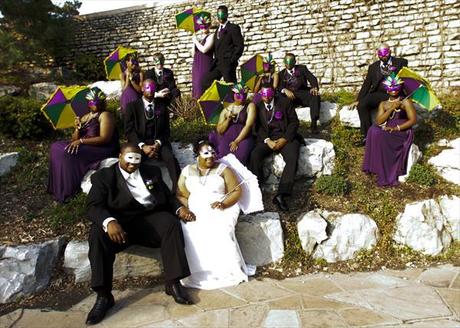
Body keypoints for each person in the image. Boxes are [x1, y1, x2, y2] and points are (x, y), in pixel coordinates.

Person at [85, 143, 194, 325]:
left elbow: (167, 198)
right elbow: (93, 205)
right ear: (120, 156)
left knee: (170, 224)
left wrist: (179, 209)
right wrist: (109, 222)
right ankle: (104, 296)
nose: (133, 163)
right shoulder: (104, 177)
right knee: (96, 234)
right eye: (129, 158)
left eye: (137, 159)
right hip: (119, 226)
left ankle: (173, 282)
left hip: (148, 220)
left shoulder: (151, 172)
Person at [176, 139, 248, 289]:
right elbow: (180, 194)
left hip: (221, 207)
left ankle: (224, 270)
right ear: (197, 155)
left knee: (219, 227)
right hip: (195, 209)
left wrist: (224, 204)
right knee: (189, 229)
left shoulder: (223, 169)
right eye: (206, 153)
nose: (211, 157)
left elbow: (236, 191)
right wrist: (187, 209)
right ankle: (198, 271)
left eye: (213, 153)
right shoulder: (187, 171)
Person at [47, 87, 119, 203]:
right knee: (56, 147)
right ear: (88, 103)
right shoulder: (85, 117)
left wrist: (81, 142)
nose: (96, 104)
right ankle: (57, 187)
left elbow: (105, 138)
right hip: (87, 144)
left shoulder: (105, 115)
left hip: (101, 148)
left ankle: (69, 190)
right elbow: (74, 139)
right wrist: (77, 129)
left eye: (99, 102)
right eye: (93, 102)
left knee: (67, 152)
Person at [249, 84, 302, 212]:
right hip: (268, 139)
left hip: (285, 137)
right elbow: (257, 128)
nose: (266, 98)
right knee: (255, 155)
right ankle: (257, 187)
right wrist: (268, 141)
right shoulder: (258, 106)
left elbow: (294, 122)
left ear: (272, 94)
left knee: (292, 158)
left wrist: (284, 139)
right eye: (263, 96)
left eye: (268, 96)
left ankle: (281, 195)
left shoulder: (285, 102)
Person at [124, 79, 181, 192]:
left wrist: (158, 143)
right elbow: (129, 130)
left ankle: (177, 188)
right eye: (147, 87)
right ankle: (139, 189)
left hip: (158, 141)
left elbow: (166, 130)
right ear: (142, 89)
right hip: (139, 142)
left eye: (152, 88)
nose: (150, 90)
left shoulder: (162, 106)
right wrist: (142, 146)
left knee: (170, 158)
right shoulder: (132, 107)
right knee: (136, 160)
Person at [362, 75, 416, 187]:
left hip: (402, 131)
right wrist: (391, 108)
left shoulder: (406, 102)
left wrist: (396, 128)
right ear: (387, 89)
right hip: (388, 128)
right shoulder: (383, 104)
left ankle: (386, 172)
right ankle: (375, 166)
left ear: (400, 87)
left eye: (396, 87)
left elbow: (413, 120)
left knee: (381, 135)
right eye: (391, 88)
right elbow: (378, 121)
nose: (393, 90)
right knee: (373, 130)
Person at [351, 43, 409, 145]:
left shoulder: (400, 62)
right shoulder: (373, 67)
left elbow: (407, 79)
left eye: (385, 53)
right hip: (378, 93)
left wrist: (406, 95)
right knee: (362, 105)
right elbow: (367, 84)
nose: (383, 56)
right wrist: (358, 99)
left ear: (390, 52)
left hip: (394, 92)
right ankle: (366, 137)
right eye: (380, 54)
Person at [208, 83, 256, 165]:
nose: (242, 97)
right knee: (223, 159)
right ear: (233, 95)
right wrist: (228, 119)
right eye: (238, 95)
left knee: (240, 158)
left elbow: (249, 125)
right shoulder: (226, 110)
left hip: (243, 138)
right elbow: (220, 130)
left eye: (244, 94)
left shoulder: (250, 106)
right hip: (227, 138)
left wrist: (237, 141)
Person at [201, 5, 244, 92]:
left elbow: (239, 46)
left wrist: (232, 60)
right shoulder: (217, 30)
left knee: (231, 87)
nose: (220, 17)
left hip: (228, 64)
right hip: (217, 64)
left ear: (227, 14)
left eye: (222, 14)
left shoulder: (233, 28)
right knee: (205, 82)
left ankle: (235, 103)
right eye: (218, 14)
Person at [277, 53, 321, 134]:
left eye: (290, 62)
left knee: (315, 95)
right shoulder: (281, 74)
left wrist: (314, 87)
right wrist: (285, 90)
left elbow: (312, 78)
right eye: (286, 63)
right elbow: (278, 86)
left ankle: (314, 124)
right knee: (281, 98)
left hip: (303, 93)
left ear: (294, 62)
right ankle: (285, 127)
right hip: (290, 97)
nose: (288, 65)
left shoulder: (302, 68)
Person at [191, 13, 214, 99]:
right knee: (196, 89)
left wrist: (196, 41)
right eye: (201, 25)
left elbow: (204, 49)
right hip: (196, 67)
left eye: (206, 25)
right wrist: (194, 42)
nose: (204, 27)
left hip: (205, 66)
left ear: (210, 25)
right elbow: (193, 54)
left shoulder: (211, 36)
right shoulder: (198, 38)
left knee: (203, 89)